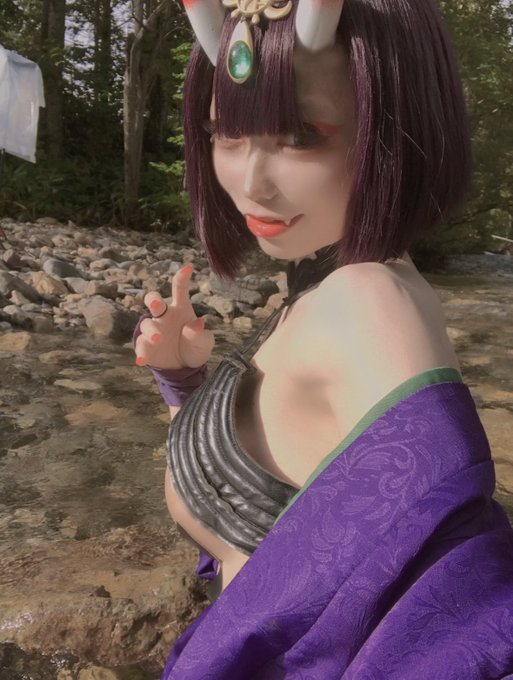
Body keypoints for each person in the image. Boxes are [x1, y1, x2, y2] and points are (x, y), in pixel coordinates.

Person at [134, 0, 513, 676]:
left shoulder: (365, 305)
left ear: (396, 129)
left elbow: (465, 602)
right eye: (227, 133)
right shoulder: (331, 280)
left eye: (300, 136)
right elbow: (281, 504)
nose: (250, 182)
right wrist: (184, 383)